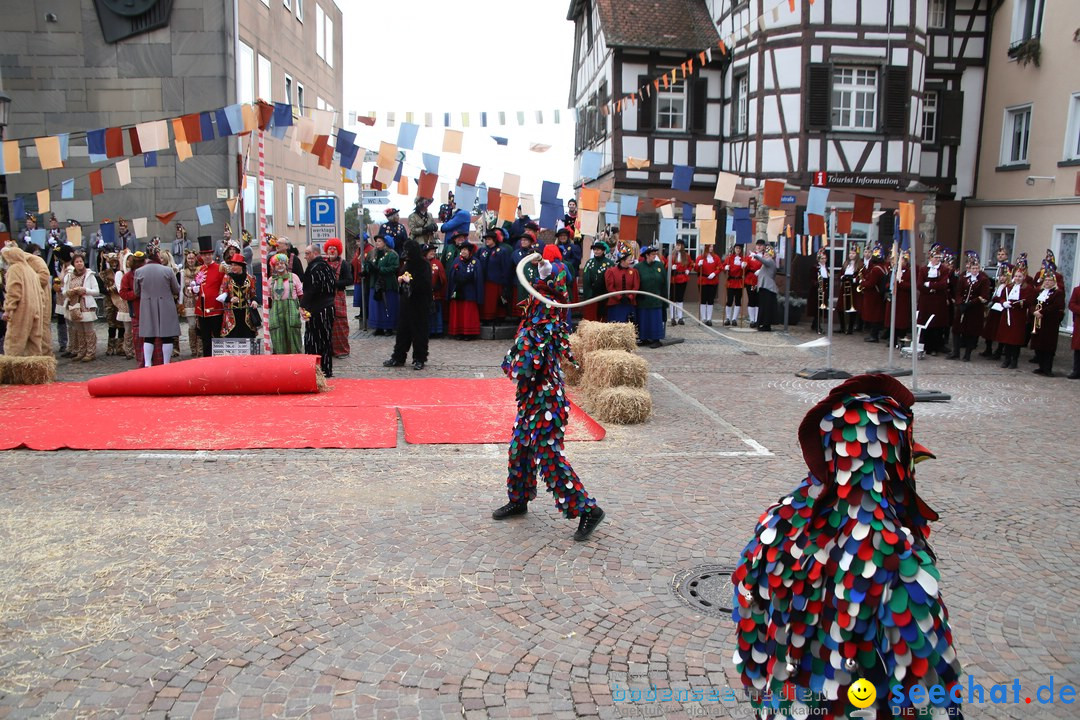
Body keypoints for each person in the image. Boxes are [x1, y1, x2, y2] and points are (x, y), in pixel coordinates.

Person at [732, 374, 962, 720]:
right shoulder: (898, 562)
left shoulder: (775, 526)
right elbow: (927, 690)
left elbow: (750, 633)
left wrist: (765, 695)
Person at [492, 249, 605, 542]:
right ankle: (519, 499)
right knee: (519, 450)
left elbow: (523, 366)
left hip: (547, 403)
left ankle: (587, 510)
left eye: (540, 293)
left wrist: (511, 362)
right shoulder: (534, 322)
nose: (533, 298)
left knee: (549, 457)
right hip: (530, 400)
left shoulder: (548, 324)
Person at [384, 239, 433, 370]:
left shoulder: (424, 265)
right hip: (406, 303)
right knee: (402, 332)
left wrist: (410, 280)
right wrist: (400, 280)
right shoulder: (407, 264)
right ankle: (398, 357)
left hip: (420, 304)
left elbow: (424, 285)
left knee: (419, 332)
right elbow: (403, 278)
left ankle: (419, 358)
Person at [134, 239, 181, 366]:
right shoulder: (168, 271)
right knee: (167, 335)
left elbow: (136, 291)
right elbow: (176, 289)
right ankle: (166, 363)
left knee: (149, 335)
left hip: (147, 305)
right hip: (166, 304)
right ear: (157, 255)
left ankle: (148, 363)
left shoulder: (139, 272)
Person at [1, 245, 45, 357]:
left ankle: (11, 368)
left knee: (14, 341)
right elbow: (40, 291)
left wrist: (8, 309)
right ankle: (34, 368)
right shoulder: (30, 269)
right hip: (35, 309)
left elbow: (13, 292)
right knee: (34, 343)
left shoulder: (14, 269)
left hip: (21, 310)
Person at [948, 251, 991, 361]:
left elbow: (984, 296)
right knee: (956, 330)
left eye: (977, 268)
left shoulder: (983, 280)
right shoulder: (964, 278)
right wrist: (960, 303)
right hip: (962, 308)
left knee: (971, 332)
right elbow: (958, 292)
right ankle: (956, 352)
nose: (975, 270)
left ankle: (967, 354)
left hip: (974, 310)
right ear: (970, 269)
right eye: (973, 268)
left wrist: (970, 303)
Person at [302, 245, 337, 377]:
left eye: (307, 253)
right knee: (326, 339)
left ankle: (315, 370)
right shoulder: (327, 266)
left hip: (318, 309)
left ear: (314, 254)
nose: (305, 257)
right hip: (328, 307)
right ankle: (326, 369)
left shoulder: (314, 268)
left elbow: (311, 289)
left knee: (314, 340)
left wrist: (303, 305)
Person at [62, 252, 100, 362]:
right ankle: (81, 351)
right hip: (74, 305)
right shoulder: (69, 276)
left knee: (88, 329)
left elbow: (96, 291)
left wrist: (85, 290)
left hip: (86, 305)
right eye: (77, 262)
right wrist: (69, 292)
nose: (79, 263)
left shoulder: (89, 275)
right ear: (73, 263)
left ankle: (90, 351)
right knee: (79, 330)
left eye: (81, 261)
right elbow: (64, 291)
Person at [994, 264, 1034, 369]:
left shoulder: (1028, 288)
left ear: (1024, 277)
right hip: (1006, 315)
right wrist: (1004, 303)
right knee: (1006, 339)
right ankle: (1006, 359)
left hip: (1018, 316)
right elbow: (1001, 298)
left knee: (1015, 340)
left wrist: (1013, 304)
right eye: (1016, 276)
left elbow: (1027, 301)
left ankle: (1014, 360)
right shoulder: (1008, 287)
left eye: (1019, 276)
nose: (1017, 278)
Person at [192, 236, 226, 357]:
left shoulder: (220, 268)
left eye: (209, 254)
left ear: (212, 254)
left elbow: (226, 284)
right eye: (204, 254)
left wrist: (225, 294)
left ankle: (218, 359)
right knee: (205, 338)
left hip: (215, 308)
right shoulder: (200, 269)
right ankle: (207, 359)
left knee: (217, 336)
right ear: (201, 256)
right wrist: (194, 290)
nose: (207, 257)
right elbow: (198, 287)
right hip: (202, 310)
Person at [1029, 271, 1066, 376]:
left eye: (1050, 280)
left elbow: (1056, 306)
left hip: (1050, 323)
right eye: (1046, 280)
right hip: (1038, 322)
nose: (1047, 282)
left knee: (1048, 347)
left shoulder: (1058, 293)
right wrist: (1034, 312)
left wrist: (1041, 312)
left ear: (1054, 282)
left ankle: (1047, 368)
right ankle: (1041, 366)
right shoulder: (1039, 292)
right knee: (1039, 345)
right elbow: (1032, 303)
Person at [267, 252, 304, 355]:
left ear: (286, 265)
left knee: (293, 333)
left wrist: (302, 308)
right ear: (274, 266)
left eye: (282, 263)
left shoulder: (294, 277)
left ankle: (295, 357)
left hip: (291, 308)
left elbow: (301, 294)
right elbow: (269, 298)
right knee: (278, 333)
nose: (280, 265)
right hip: (276, 309)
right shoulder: (271, 280)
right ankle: (280, 358)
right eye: (277, 263)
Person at [364, 232, 400, 336]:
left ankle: (389, 327)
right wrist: (368, 268)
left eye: (379, 241)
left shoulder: (392, 254)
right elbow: (367, 264)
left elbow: (394, 267)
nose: (377, 243)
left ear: (385, 243)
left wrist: (380, 269)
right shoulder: (372, 253)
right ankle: (378, 327)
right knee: (376, 306)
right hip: (375, 283)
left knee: (388, 304)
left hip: (387, 284)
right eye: (376, 241)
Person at [322, 238, 353, 357]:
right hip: (325, 297)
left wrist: (334, 283)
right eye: (330, 248)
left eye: (334, 248)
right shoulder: (323, 263)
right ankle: (328, 350)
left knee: (340, 323)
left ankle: (341, 350)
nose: (332, 251)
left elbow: (349, 280)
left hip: (338, 296)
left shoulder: (344, 264)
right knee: (326, 323)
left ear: (338, 250)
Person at [447, 239, 484, 339]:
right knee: (458, 312)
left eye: (465, 250)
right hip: (458, 289)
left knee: (468, 312)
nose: (463, 252)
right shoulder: (456, 261)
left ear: (469, 251)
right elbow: (451, 275)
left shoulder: (476, 262)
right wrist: (457, 278)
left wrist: (470, 277)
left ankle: (469, 333)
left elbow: (479, 278)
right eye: (462, 249)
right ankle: (458, 332)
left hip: (470, 290)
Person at [478, 229, 513, 321]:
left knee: (495, 300)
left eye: (489, 239)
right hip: (485, 280)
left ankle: (497, 317)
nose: (487, 241)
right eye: (486, 239)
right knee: (486, 301)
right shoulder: (482, 251)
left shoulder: (501, 251)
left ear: (494, 240)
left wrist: (504, 280)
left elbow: (505, 267)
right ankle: (486, 317)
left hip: (496, 280)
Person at [635, 246, 666, 348]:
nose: (655, 256)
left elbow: (664, 282)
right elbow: (635, 282)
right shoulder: (638, 267)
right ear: (647, 255)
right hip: (643, 299)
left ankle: (656, 339)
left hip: (656, 298)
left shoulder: (659, 265)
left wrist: (665, 298)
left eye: (655, 254)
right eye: (653, 254)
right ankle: (644, 338)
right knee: (644, 319)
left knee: (655, 319)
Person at [980, 260, 1011, 359]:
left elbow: (1003, 298)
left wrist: (998, 299)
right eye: (1001, 276)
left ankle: (998, 352)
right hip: (994, 309)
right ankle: (988, 349)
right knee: (989, 330)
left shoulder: (1009, 287)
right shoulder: (997, 286)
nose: (1002, 278)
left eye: (1004, 276)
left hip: (1001, 310)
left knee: (998, 331)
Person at [859, 244, 888, 342]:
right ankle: (874, 334)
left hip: (873, 295)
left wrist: (862, 282)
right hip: (878, 295)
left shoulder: (876, 269)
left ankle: (874, 335)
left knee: (874, 316)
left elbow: (871, 284)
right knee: (876, 315)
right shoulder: (883, 267)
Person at [884, 250, 913, 346]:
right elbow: (887, 283)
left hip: (903, 300)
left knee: (901, 322)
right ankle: (892, 340)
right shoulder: (892, 271)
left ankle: (902, 340)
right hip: (893, 299)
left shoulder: (909, 272)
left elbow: (911, 286)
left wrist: (899, 283)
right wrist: (890, 285)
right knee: (892, 320)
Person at [581, 241, 613, 322]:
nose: (596, 251)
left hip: (604, 294)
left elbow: (611, 280)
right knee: (591, 316)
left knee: (602, 315)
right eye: (594, 250)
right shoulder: (589, 262)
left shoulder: (609, 263)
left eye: (598, 250)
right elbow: (585, 277)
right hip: (591, 294)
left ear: (603, 251)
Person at [100, 252, 125, 356]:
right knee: (111, 324)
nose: (114, 264)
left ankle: (120, 347)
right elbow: (101, 288)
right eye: (112, 262)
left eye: (115, 261)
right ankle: (110, 346)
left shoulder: (122, 272)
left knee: (121, 324)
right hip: (109, 300)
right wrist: (110, 290)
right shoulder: (104, 273)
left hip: (120, 300)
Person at [604, 251, 639, 323]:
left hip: (629, 304)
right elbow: (610, 287)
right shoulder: (611, 271)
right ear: (622, 260)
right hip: (615, 304)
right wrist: (619, 297)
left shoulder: (634, 272)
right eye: (629, 259)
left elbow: (636, 286)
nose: (630, 261)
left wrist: (630, 297)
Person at [751, 240, 778, 332]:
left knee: (766, 308)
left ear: (771, 255)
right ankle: (762, 323)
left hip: (768, 288)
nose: (765, 255)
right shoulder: (768, 262)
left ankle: (766, 325)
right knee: (763, 307)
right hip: (764, 287)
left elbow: (764, 261)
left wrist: (755, 256)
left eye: (767, 254)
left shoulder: (770, 261)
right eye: (765, 254)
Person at [179, 250, 202, 357]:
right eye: (189, 258)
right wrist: (180, 303)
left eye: (192, 258)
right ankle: (193, 348)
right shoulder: (183, 272)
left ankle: (200, 347)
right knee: (192, 325)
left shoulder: (200, 270)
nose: (191, 260)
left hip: (199, 300)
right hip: (188, 301)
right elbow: (181, 289)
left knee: (200, 325)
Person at [694, 243, 722, 326]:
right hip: (703, 280)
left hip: (713, 281)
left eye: (712, 246)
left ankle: (709, 318)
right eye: (710, 246)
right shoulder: (700, 257)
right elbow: (696, 269)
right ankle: (703, 318)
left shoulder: (716, 257)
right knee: (703, 299)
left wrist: (714, 273)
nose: (711, 248)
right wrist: (699, 265)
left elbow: (720, 267)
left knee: (710, 300)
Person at [837, 247, 863, 334]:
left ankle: (850, 328)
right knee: (840, 307)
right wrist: (843, 277)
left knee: (853, 308)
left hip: (853, 289)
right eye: (850, 253)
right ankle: (843, 327)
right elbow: (840, 274)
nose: (851, 255)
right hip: (844, 288)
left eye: (853, 253)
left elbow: (861, 276)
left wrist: (854, 279)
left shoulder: (859, 265)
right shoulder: (846, 264)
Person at [667, 239, 692, 326]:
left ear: (682, 246)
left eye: (679, 245)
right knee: (672, 298)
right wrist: (670, 267)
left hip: (682, 278)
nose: (677, 246)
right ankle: (672, 317)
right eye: (676, 245)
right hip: (673, 278)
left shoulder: (686, 256)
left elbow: (690, 264)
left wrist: (688, 270)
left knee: (680, 298)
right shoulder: (671, 255)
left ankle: (680, 317)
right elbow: (666, 266)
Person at [425, 243, 447, 338]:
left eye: (434, 251)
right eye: (430, 251)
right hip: (425, 293)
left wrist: (439, 284)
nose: (433, 253)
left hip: (436, 293)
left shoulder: (437, 263)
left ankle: (437, 330)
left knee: (436, 311)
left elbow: (443, 277)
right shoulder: (422, 262)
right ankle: (428, 330)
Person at [722, 244, 747, 326]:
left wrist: (744, 266)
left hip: (739, 281)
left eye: (739, 248)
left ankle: (734, 319)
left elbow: (747, 270)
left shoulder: (743, 259)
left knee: (737, 301)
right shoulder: (729, 258)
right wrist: (725, 267)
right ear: (734, 249)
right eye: (737, 248)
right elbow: (723, 267)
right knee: (729, 300)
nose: (738, 250)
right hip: (731, 281)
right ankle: (728, 318)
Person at [1069, 282, 1080, 379]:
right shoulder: (1077, 290)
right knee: (1078, 349)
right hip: (1079, 323)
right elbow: (1072, 304)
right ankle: (1076, 371)